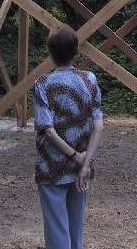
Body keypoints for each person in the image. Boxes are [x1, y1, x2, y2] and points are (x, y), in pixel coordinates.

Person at [34, 27, 104, 249]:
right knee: (76, 233)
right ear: (75, 50)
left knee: (57, 234)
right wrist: (85, 163)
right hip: (82, 167)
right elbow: (99, 126)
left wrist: (74, 157)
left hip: (51, 167)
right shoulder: (89, 79)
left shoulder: (42, 84)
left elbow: (48, 130)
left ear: (50, 52)